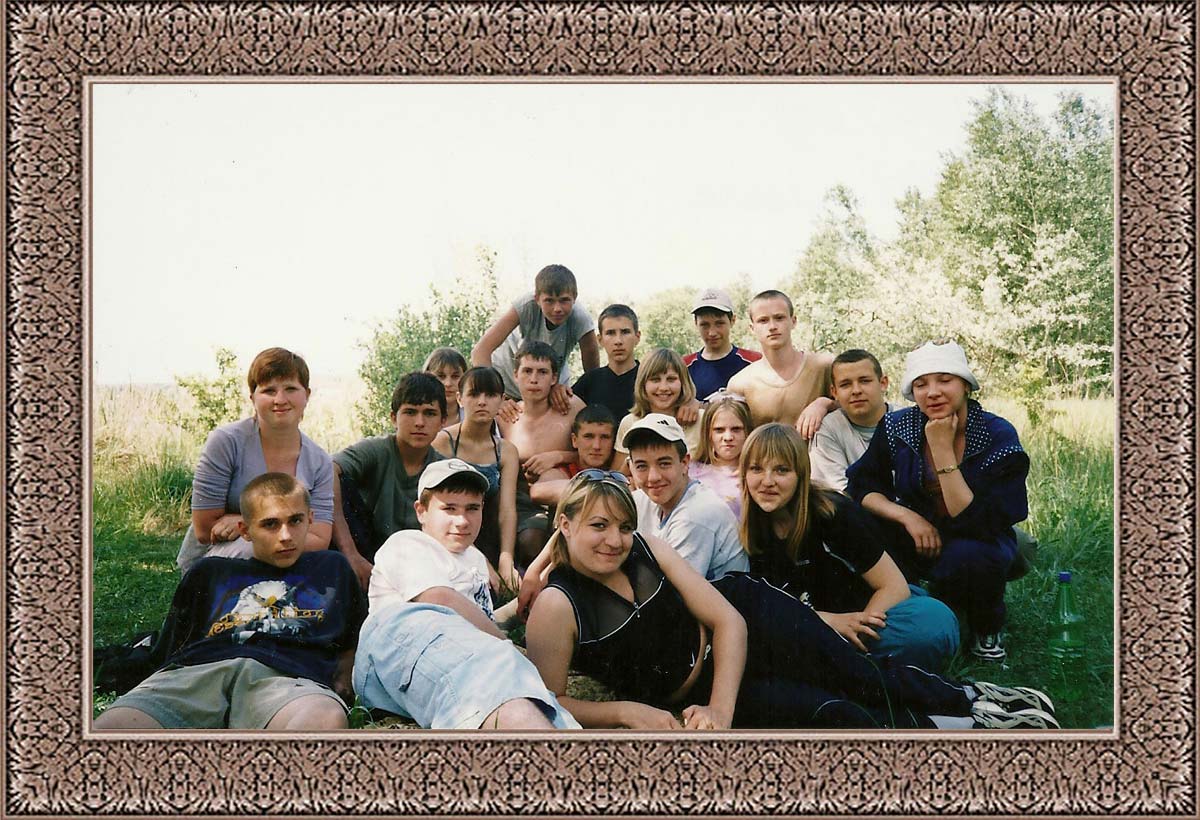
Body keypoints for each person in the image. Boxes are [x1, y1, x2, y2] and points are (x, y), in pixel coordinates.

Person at [523, 471, 1058, 729]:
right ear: (564, 525)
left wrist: (722, 709)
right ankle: (957, 729)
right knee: (833, 714)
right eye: (598, 526)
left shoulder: (648, 549)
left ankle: (976, 700)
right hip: (694, 690)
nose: (614, 540)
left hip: (749, 620)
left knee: (855, 673)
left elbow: (728, 620)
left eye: (622, 525)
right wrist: (625, 711)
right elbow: (550, 701)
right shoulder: (557, 607)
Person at [96, 473, 366, 730]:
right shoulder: (210, 572)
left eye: (295, 520)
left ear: (310, 519)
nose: (285, 535)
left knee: (324, 720)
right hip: (199, 672)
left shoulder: (330, 569)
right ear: (245, 530)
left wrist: (344, 675)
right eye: (270, 524)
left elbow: (354, 636)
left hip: (286, 679)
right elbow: (172, 645)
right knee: (112, 727)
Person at [353, 459, 579, 729]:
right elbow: (441, 599)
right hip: (401, 635)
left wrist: (522, 604)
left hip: (456, 651)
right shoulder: (408, 543)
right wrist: (507, 647)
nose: (461, 521)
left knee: (532, 695)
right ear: (421, 511)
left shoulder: (474, 559)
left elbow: (476, 624)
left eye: (472, 508)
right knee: (504, 664)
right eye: (449, 508)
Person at [846, 340, 1030, 662]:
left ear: (966, 386)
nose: (932, 392)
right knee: (862, 525)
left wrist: (942, 450)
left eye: (945, 380)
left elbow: (974, 519)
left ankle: (985, 626)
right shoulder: (898, 425)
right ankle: (908, 607)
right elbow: (861, 484)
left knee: (974, 556)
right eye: (921, 384)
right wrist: (907, 517)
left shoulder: (997, 434)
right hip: (918, 533)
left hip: (977, 538)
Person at [740, 423, 959, 670]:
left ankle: (846, 661)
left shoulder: (833, 513)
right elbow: (768, 607)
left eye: (781, 470)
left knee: (933, 624)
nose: (767, 481)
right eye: (756, 469)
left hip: (873, 610)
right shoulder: (747, 528)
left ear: (801, 474)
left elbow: (893, 586)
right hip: (815, 621)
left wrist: (859, 628)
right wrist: (829, 623)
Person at [177, 347, 333, 574]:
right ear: (253, 398)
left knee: (331, 562)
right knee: (249, 550)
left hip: (288, 553)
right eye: (269, 390)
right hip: (220, 558)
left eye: (291, 388)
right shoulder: (225, 442)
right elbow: (204, 530)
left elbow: (319, 538)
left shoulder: (319, 460)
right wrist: (258, 529)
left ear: (307, 395)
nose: (280, 399)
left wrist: (249, 522)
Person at [331, 372, 446, 588]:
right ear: (394, 418)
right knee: (338, 482)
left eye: (429, 413)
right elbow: (327, 471)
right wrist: (351, 553)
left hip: (417, 559)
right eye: (410, 412)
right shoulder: (376, 450)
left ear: (443, 422)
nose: (419, 422)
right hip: (367, 549)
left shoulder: (442, 468)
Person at [624, 413, 747, 581]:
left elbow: (670, 591)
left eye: (664, 464)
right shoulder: (643, 498)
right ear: (630, 467)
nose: (653, 477)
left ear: (685, 463)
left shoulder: (697, 514)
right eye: (641, 466)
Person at [497, 340, 585, 566]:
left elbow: (596, 452)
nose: (534, 379)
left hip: (565, 495)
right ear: (515, 375)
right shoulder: (504, 416)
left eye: (542, 372)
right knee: (531, 541)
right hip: (521, 499)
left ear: (554, 378)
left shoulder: (571, 407)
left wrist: (558, 456)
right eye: (527, 371)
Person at [430, 366, 520, 588]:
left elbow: (507, 510)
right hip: (450, 533)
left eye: (490, 395)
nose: (482, 402)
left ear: (502, 400)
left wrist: (506, 559)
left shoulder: (506, 451)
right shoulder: (443, 442)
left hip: (487, 531)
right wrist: (479, 560)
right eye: (474, 394)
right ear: (460, 399)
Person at [470, 263, 599, 404]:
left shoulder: (581, 318)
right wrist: (495, 398)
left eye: (564, 300)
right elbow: (480, 351)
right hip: (507, 384)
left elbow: (593, 376)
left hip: (548, 387)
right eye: (549, 301)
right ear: (537, 299)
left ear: (574, 297)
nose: (557, 308)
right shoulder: (525, 306)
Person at [726, 289, 834, 438]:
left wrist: (824, 404)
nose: (772, 326)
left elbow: (856, 411)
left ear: (793, 321)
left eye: (779, 318)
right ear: (752, 328)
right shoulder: (740, 384)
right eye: (763, 320)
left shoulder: (823, 366)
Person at [809, 349, 895, 493]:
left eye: (865, 381)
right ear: (834, 392)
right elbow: (839, 492)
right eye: (845, 384)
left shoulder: (907, 421)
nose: (856, 390)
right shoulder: (827, 430)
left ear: (883, 383)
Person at [613, 347, 701, 471]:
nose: (663, 387)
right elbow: (619, 477)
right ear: (643, 384)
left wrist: (699, 404)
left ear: (683, 382)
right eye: (655, 380)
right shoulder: (630, 422)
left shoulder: (700, 419)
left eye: (671, 379)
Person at [530, 404, 618, 508]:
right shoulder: (564, 471)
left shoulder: (621, 468)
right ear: (574, 440)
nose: (596, 446)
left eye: (605, 437)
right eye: (588, 437)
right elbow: (538, 491)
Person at [683, 287, 761, 400]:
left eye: (719, 323)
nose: (712, 333)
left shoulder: (755, 362)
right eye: (705, 325)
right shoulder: (683, 368)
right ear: (695, 323)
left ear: (732, 320)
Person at [571, 303, 642, 420]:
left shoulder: (648, 379)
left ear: (637, 337)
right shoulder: (589, 381)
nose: (618, 341)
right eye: (610, 333)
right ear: (600, 340)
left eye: (625, 332)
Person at [688, 393, 753, 520]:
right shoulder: (689, 471)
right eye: (719, 430)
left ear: (747, 432)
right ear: (708, 433)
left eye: (736, 429)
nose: (728, 437)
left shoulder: (756, 474)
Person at [423, 347, 468, 429]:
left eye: (455, 376)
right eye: (441, 376)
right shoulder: (417, 418)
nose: (448, 383)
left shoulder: (472, 417)